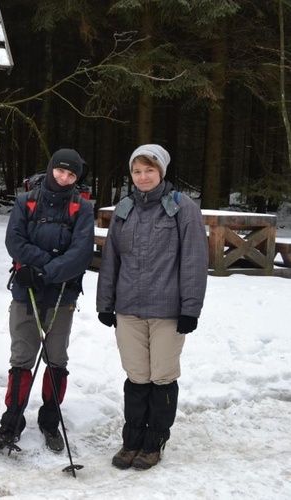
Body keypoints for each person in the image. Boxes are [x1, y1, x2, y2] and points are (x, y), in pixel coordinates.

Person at [96, 144, 208, 470]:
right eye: (137, 171)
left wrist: (191, 309)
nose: (143, 177)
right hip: (128, 309)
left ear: (162, 171)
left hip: (168, 311)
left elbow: (194, 261)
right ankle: (132, 441)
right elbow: (111, 261)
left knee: (161, 377)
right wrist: (106, 303)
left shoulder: (182, 208)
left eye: (149, 170)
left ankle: (154, 441)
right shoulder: (124, 208)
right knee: (137, 377)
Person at [0, 149, 94, 453]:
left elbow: (81, 252)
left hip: (62, 292)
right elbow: (14, 240)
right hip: (25, 289)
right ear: (50, 169)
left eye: (71, 175)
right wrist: (38, 266)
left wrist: (45, 272)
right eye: (60, 171)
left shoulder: (81, 208)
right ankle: (12, 421)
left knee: (56, 358)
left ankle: (50, 420)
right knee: (21, 357)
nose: (64, 178)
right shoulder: (26, 201)